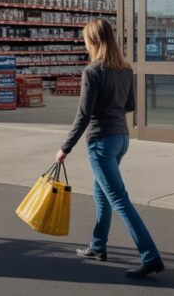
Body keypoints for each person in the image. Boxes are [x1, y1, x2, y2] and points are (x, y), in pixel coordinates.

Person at [56, 19, 164, 279]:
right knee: (101, 193)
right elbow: (130, 105)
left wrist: (65, 147)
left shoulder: (92, 72)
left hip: (101, 142)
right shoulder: (125, 69)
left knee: (119, 199)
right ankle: (97, 246)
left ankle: (150, 257)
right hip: (120, 139)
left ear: (92, 41)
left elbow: (83, 115)